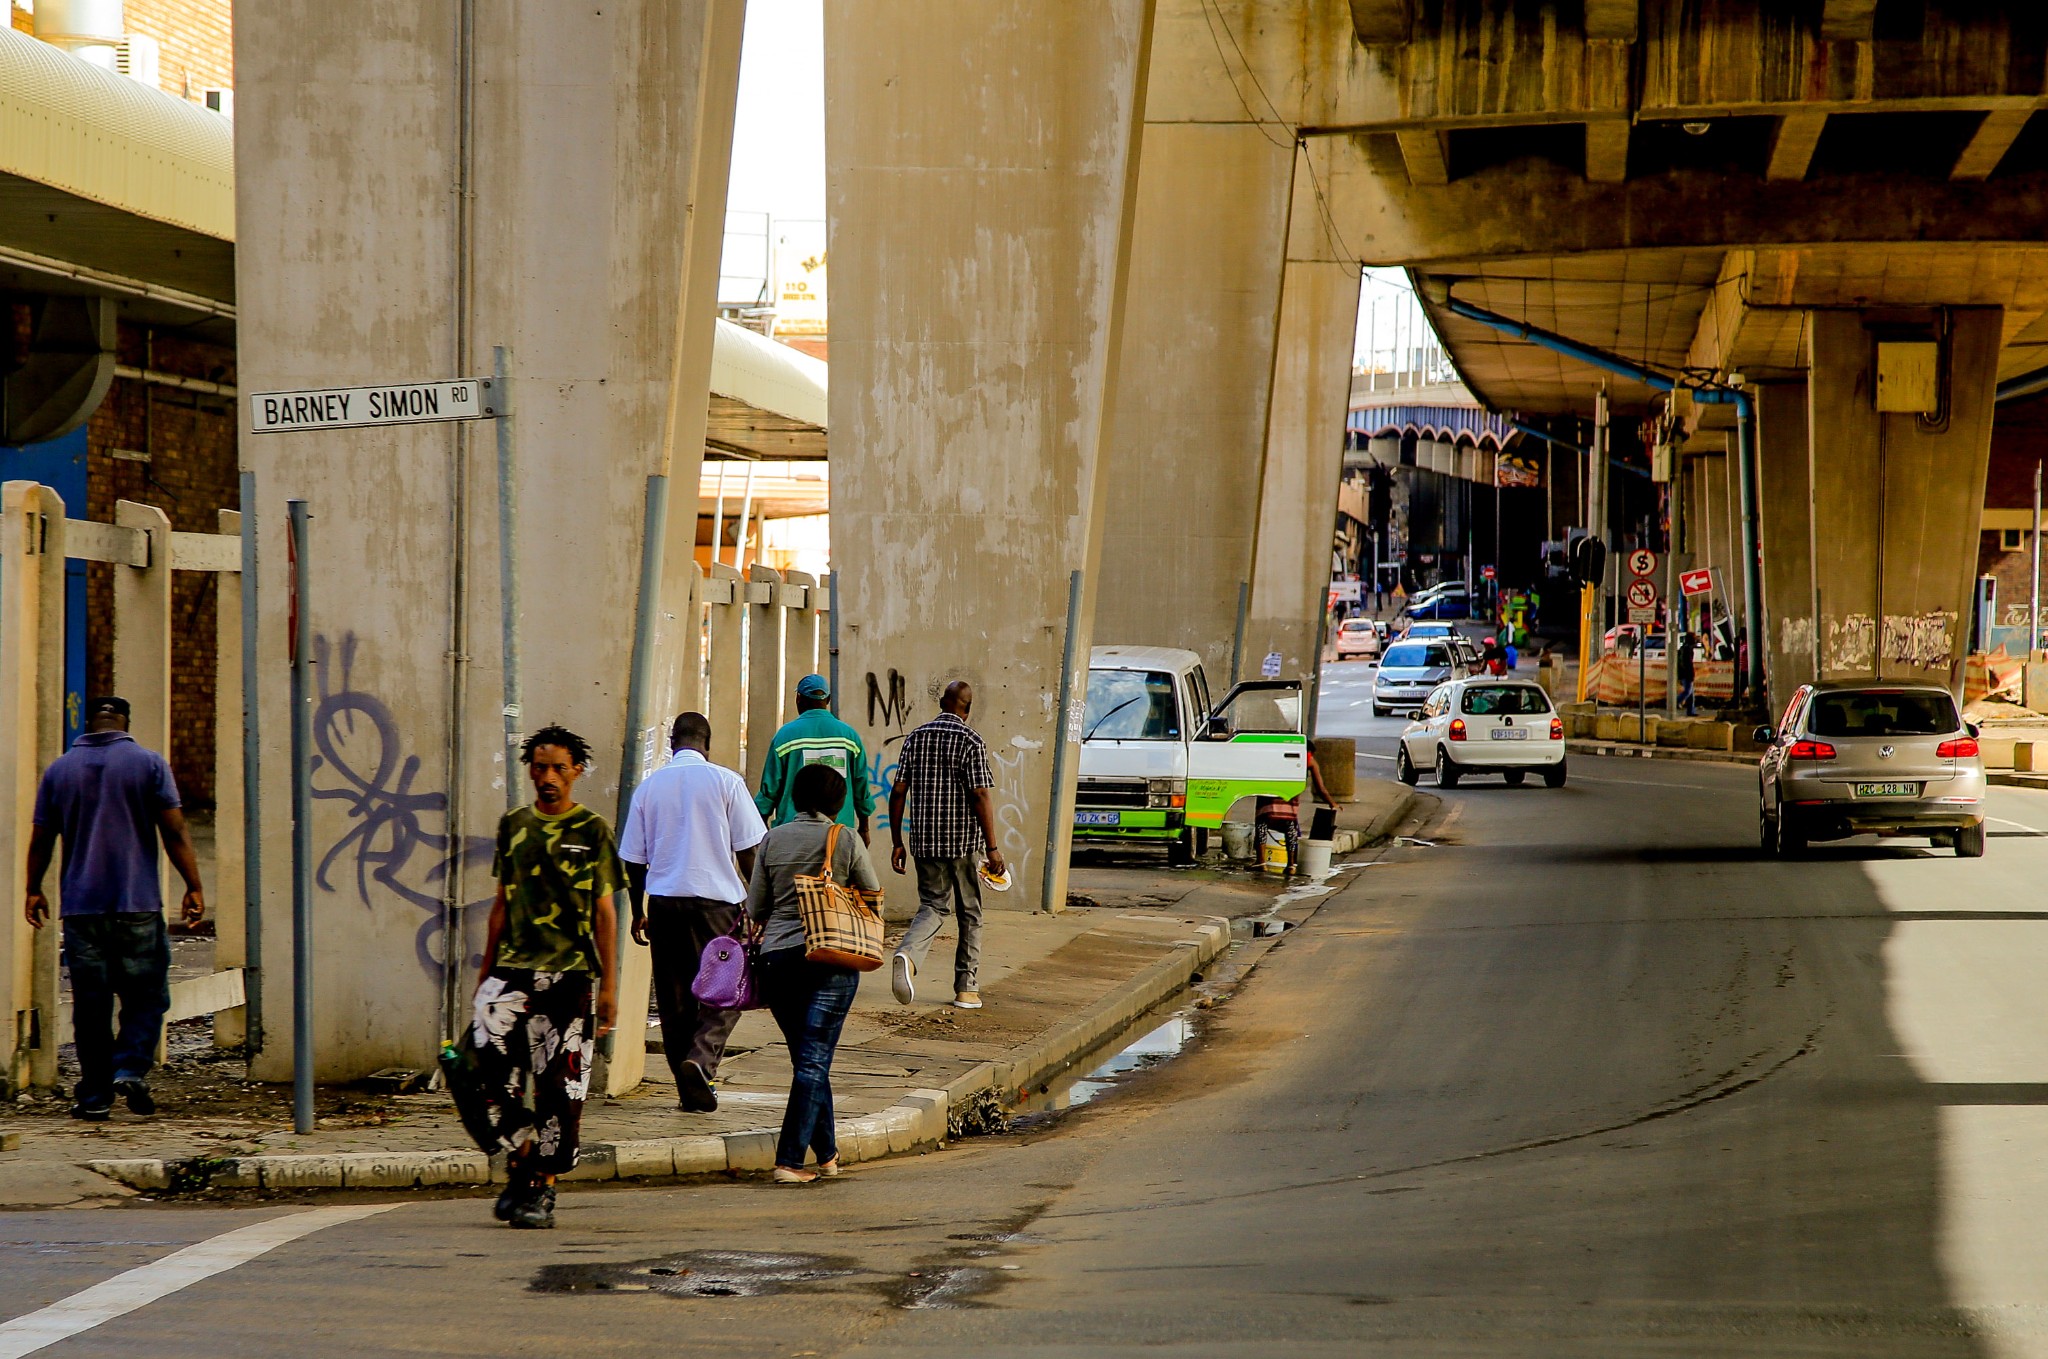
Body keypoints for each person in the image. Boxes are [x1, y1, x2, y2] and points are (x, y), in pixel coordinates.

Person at [461, 725, 624, 1230]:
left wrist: (611, 987)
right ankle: (522, 1154)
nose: (547, 777)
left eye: (558, 768)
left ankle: (541, 1188)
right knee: (481, 1066)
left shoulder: (593, 830)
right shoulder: (514, 825)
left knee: (559, 1086)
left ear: (577, 771)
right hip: (512, 972)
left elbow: (605, 915)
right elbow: (500, 906)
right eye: (538, 767)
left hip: (571, 976)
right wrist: (486, 975)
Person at [22, 697, 203, 1121]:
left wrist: (33, 889)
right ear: (126, 722)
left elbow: (42, 837)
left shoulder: (60, 769)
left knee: (91, 1006)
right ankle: (130, 1067)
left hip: (82, 909)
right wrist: (193, 886)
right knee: (147, 996)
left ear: (90, 724)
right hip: (137, 903)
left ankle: (95, 1097)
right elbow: (174, 830)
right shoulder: (149, 763)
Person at [620, 712, 767, 1113]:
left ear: (672, 743)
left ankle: (690, 1092)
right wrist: (759, 909)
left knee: (674, 1001)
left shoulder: (648, 789)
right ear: (708, 742)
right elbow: (750, 851)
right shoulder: (727, 782)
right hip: (718, 907)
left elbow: (634, 860)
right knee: (730, 989)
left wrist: (637, 910)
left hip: (665, 906)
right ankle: (701, 1062)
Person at [746, 763, 882, 1184]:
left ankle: (827, 1154)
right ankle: (788, 1161)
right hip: (830, 960)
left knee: (807, 1060)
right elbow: (873, 892)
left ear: (797, 797)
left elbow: (755, 909)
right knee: (812, 1062)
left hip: (777, 961)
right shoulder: (845, 839)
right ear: (837, 803)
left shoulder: (772, 839)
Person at [889, 680, 1005, 1011]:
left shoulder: (916, 737)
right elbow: (980, 793)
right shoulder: (971, 740)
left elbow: (899, 791)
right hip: (964, 844)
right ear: (967, 709)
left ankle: (908, 955)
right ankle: (966, 989)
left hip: (924, 843)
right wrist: (993, 848)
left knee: (933, 906)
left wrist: (898, 842)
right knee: (969, 911)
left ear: (941, 702)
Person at [754, 674, 873, 841]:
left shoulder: (785, 737)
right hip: (839, 834)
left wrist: (763, 826)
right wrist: (864, 827)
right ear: (828, 699)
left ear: (799, 699)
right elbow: (861, 785)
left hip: (792, 835)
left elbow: (769, 789)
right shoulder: (849, 737)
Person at [1256, 746, 1337, 874]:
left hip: (1271, 792)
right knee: (1290, 827)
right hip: (1290, 796)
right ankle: (1291, 865)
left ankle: (1261, 862)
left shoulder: (1277, 750)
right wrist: (1332, 803)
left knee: (1262, 823)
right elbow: (1320, 787)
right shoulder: (1308, 759)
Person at [1677, 631, 1697, 716]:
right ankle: (1676, 701)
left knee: (1691, 694)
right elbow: (1688, 663)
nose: (1695, 640)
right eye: (1694, 638)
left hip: (1683, 673)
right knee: (1688, 691)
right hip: (1686, 674)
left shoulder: (1684, 648)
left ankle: (1690, 711)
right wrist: (1690, 674)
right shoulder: (1687, 649)